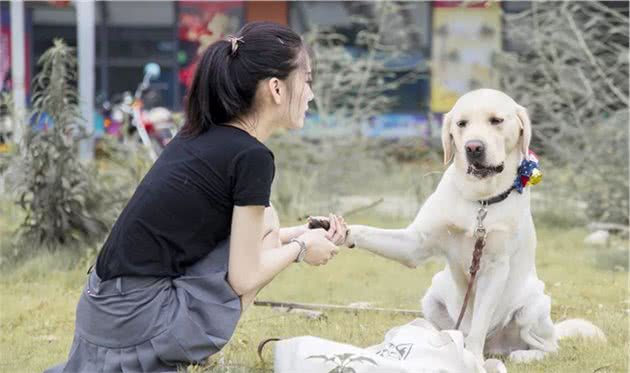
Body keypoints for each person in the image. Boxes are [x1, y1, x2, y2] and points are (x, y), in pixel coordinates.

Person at [45, 21, 346, 373]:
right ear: (276, 88)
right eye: (307, 80)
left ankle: (186, 352)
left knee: (270, 222)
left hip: (102, 317)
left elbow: (221, 243)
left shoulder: (198, 136)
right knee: (267, 217)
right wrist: (302, 249)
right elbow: (244, 277)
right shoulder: (251, 157)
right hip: (138, 326)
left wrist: (301, 233)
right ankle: (189, 355)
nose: (310, 93)